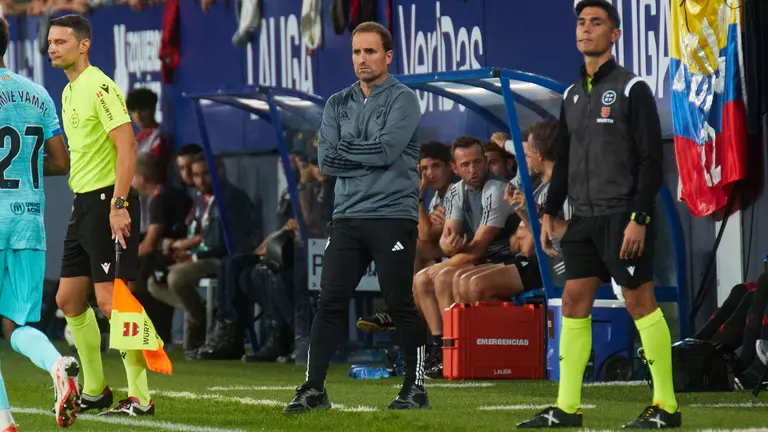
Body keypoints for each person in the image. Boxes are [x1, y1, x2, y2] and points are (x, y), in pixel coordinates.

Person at [517, 0, 679, 428]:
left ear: (615, 35)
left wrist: (639, 218)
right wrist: (551, 213)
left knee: (639, 302)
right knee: (572, 301)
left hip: (623, 215)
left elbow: (651, 162)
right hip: (583, 219)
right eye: (581, 22)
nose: (586, 29)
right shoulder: (571, 95)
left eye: (597, 23)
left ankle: (667, 406)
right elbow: (565, 161)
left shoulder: (631, 88)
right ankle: (567, 408)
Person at [284, 21, 428, 413]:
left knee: (399, 301)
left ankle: (415, 387)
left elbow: (386, 151)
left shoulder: (404, 99)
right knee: (329, 301)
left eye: (369, 52)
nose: (361, 59)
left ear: (388, 56)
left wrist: (353, 152)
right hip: (347, 215)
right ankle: (314, 389)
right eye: (356, 52)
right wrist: (366, 153)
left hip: (392, 214)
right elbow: (325, 160)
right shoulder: (336, 103)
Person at [48, 14, 154, 416]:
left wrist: (120, 205)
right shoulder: (70, 90)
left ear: (84, 44)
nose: (53, 48)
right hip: (85, 204)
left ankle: (141, 398)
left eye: (61, 41)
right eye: (50, 43)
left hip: (109, 202)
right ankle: (96, 390)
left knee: (113, 301)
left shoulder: (100, 86)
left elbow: (127, 147)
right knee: (69, 299)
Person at [0, 17, 80, 431]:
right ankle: (56, 364)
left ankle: (4, 421)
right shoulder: (37, 93)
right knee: (17, 325)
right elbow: (62, 161)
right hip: (28, 220)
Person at [413, 136, 516, 378]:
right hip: (478, 261)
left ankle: (460, 348)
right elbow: (446, 241)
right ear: (455, 168)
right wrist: (449, 247)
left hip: (504, 260)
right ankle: (441, 350)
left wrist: (446, 260)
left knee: (438, 277)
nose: (473, 170)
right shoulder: (457, 191)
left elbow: (479, 247)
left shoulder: (496, 188)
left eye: (478, 162)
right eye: (466, 165)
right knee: (422, 279)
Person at [356, 141, 454, 334]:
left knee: (414, 250)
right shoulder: (437, 198)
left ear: (450, 166)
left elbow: (425, 235)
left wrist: (416, 197)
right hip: (442, 257)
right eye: (424, 168)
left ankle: (396, 313)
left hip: (464, 258)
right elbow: (425, 233)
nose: (430, 174)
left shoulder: (456, 191)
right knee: (416, 267)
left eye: (436, 166)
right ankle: (423, 348)